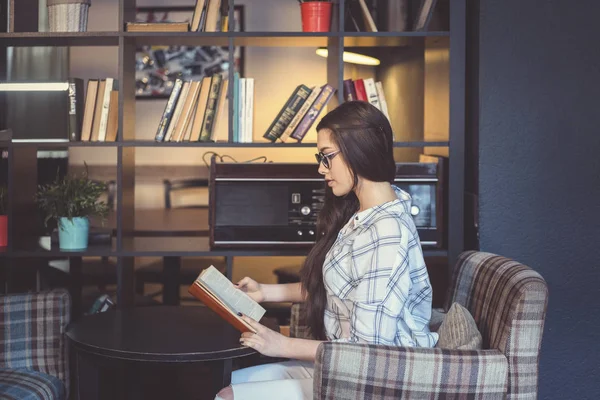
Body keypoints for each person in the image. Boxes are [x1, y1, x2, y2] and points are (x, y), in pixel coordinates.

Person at [216, 101, 438, 400]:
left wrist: (281, 344)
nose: (321, 168)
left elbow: (368, 352)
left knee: (230, 395)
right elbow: (340, 290)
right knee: (229, 381)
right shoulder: (366, 214)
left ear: (359, 151)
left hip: (373, 381)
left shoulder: (386, 234)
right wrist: (265, 292)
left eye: (327, 157)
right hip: (340, 362)